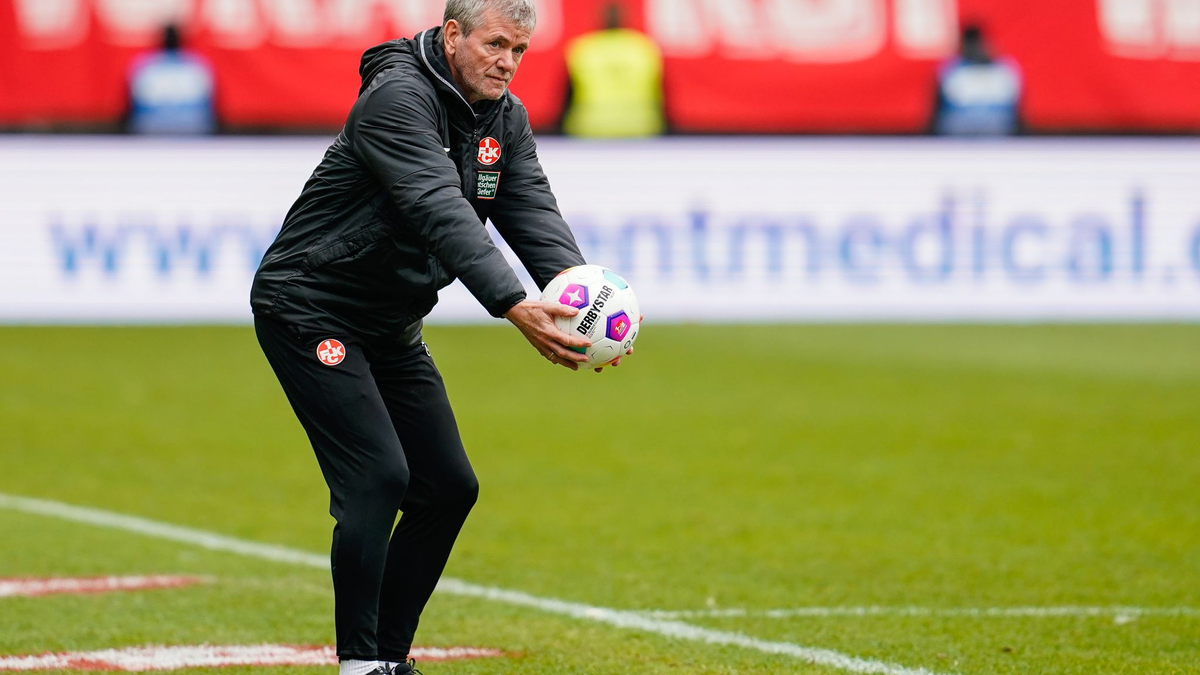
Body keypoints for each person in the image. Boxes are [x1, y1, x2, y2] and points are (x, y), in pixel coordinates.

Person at [250, 2, 632, 674]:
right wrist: (513, 302)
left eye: (519, 50)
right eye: (495, 45)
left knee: (448, 487)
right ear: (453, 35)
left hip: (390, 323)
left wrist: (584, 306)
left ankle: (389, 659)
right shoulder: (396, 98)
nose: (508, 63)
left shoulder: (504, 119)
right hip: (310, 307)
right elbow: (438, 206)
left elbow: (532, 213)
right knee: (378, 477)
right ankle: (360, 665)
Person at [561, 2, 665, 138]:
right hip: (641, 125)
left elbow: (567, 95)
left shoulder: (583, 49)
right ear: (626, 19)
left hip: (591, 125)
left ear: (600, 19)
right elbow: (661, 92)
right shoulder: (644, 48)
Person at [931, 24, 1022, 136]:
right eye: (970, 44)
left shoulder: (1004, 69)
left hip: (997, 127)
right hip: (959, 128)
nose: (974, 49)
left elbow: (1017, 111)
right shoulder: (951, 69)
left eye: (977, 44)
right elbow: (938, 111)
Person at [127, 24, 216, 135]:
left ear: (160, 40)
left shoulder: (145, 65)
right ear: (182, 40)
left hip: (152, 127)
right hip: (191, 127)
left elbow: (133, 104)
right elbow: (209, 105)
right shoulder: (197, 65)